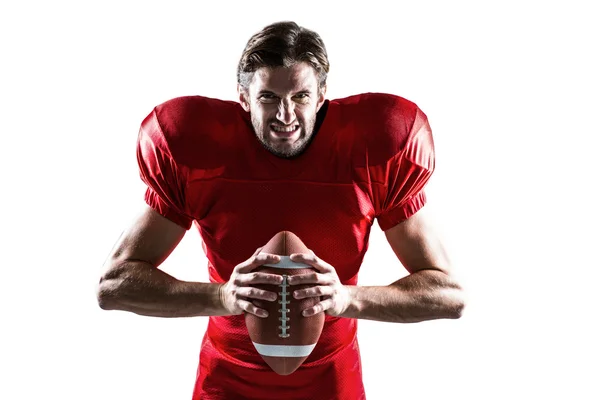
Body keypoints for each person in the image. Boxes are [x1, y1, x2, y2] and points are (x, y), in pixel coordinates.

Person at [97, 20, 465, 400]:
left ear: (322, 96)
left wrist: (345, 300)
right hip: (227, 382)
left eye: (301, 97)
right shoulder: (199, 149)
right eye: (269, 97)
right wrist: (222, 296)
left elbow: (449, 294)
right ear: (243, 98)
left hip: (331, 382)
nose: (286, 115)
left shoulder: (372, 150)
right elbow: (114, 285)